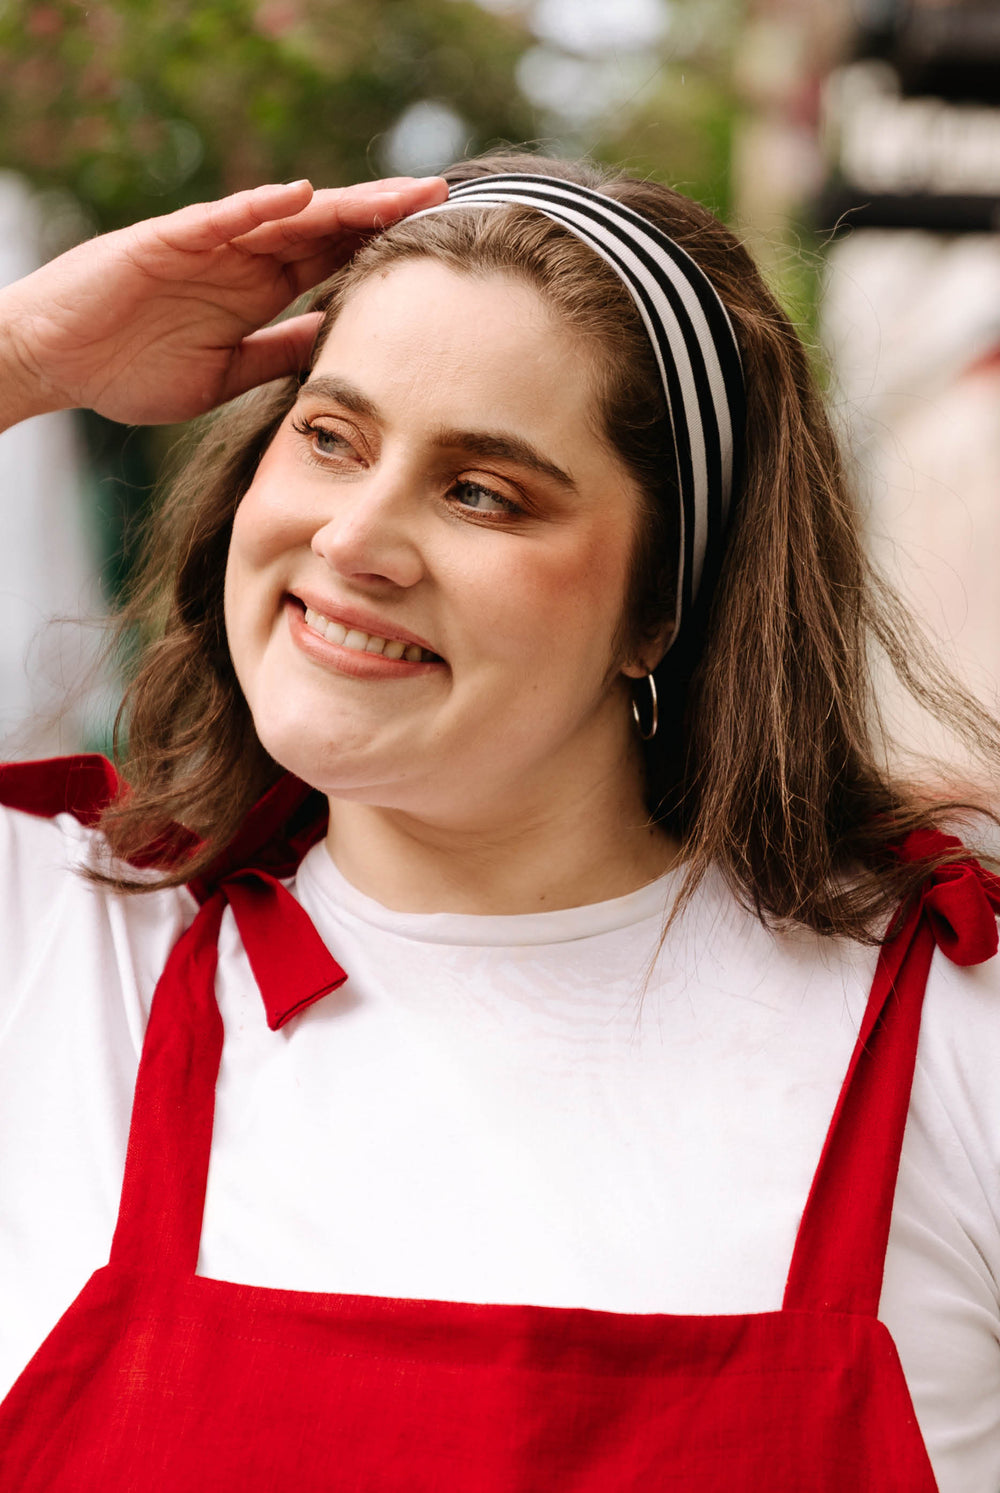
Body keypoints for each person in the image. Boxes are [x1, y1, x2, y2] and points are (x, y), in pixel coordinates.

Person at [0, 152, 998, 1491]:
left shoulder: (945, 1035)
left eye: (485, 490)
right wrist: (27, 353)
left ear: (662, 608)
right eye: (332, 436)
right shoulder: (65, 942)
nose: (355, 537)